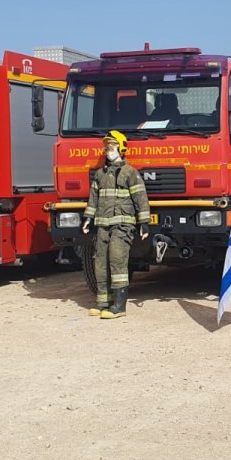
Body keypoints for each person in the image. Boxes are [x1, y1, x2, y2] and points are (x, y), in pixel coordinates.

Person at [82, 130, 150, 319]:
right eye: (106, 146)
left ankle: (119, 307)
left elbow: (140, 198)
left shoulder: (130, 173)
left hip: (122, 225)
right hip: (103, 225)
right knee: (100, 263)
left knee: (117, 261)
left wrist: (144, 223)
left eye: (111, 146)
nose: (108, 150)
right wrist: (88, 218)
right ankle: (103, 303)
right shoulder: (100, 174)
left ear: (121, 147)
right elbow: (93, 199)